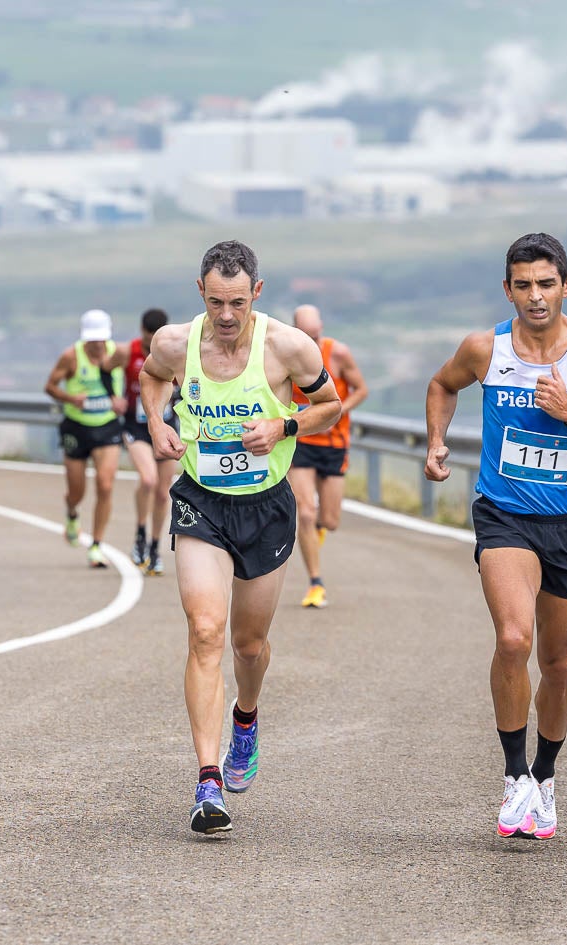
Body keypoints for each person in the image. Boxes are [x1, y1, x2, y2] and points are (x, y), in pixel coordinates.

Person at [423, 232, 567, 840]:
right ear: (508, 289)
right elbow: (443, 385)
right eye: (523, 285)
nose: (535, 296)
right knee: (514, 638)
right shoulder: (485, 348)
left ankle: (545, 779)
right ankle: (514, 775)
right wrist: (437, 441)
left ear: (566, 286)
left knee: (560, 660)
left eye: (546, 284)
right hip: (505, 514)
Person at [139, 240, 340, 835]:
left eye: (237, 302)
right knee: (206, 631)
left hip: (266, 505)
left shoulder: (288, 347)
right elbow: (152, 382)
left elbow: (330, 404)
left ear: (257, 292)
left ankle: (245, 719)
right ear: (199, 293)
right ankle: (208, 780)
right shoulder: (174, 344)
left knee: (248, 646)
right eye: (215, 302)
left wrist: (286, 423)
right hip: (201, 500)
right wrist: (157, 423)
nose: (227, 316)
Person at [286, 304, 368, 609]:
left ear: (321, 327)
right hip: (302, 440)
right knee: (305, 512)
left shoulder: (338, 352)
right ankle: (315, 582)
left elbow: (361, 389)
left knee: (330, 521)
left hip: (334, 442)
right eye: (306, 335)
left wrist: (335, 410)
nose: (312, 340)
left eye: (315, 334)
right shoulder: (288, 355)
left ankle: (316, 533)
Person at [44, 309, 127, 569]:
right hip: (76, 428)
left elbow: (140, 380)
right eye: (92, 339)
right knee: (76, 491)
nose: (96, 344)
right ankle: (71, 513)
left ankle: (96, 545)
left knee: (105, 485)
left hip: (107, 427)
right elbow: (50, 386)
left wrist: (122, 402)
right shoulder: (71, 357)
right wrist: (71, 399)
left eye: (100, 338)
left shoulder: (118, 354)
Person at [122, 308, 180, 576]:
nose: (150, 343)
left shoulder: (174, 354)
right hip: (137, 428)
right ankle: (140, 533)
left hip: (167, 428)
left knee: (162, 492)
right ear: (141, 332)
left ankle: (155, 547)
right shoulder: (128, 352)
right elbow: (106, 367)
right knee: (148, 479)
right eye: (147, 338)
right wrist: (114, 397)